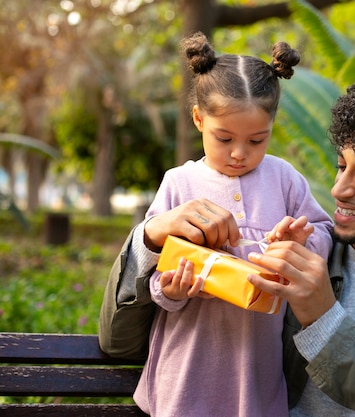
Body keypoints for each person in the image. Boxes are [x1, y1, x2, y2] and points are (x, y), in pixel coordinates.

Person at [99, 72, 355, 417]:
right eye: (341, 166)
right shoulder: (303, 249)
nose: (338, 189)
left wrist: (323, 317)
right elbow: (119, 343)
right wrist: (152, 237)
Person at [103, 31, 333, 417]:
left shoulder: (285, 179)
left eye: (258, 140)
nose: (240, 154)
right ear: (198, 119)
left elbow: (324, 234)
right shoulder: (180, 183)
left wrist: (300, 241)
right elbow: (155, 275)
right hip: (186, 367)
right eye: (224, 138)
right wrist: (174, 291)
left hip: (254, 371)